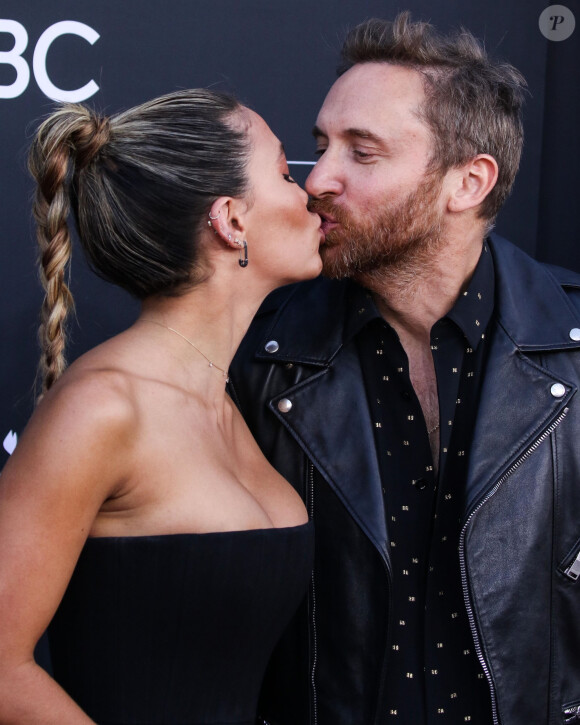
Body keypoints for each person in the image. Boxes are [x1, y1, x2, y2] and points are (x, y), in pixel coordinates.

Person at [231, 12, 580, 725]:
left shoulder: (572, 354)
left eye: (362, 153)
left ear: (468, 182)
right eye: (320, 146)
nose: (316, 179)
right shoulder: (261, 357)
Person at [0, 89, 324, 724]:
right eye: (287, 173)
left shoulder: (231, 404)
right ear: (230, 219)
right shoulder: (104, 406)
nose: (311, 193)